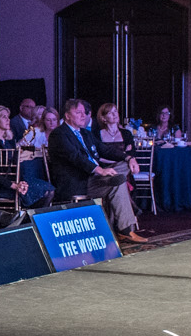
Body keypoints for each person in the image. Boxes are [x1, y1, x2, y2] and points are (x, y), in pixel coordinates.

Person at [49, 98, 146, 243]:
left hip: (95, 179)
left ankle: (125, 229)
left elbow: (105, 150)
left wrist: (128, 158)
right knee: (118, 182)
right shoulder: (59, 134)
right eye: (78, 112)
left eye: (84, 112)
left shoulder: (85, 133)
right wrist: (99, 170)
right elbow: (75, 157)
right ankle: (126, 230)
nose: (83, 115)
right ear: (67, 116)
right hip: (77, 182)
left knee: (123, 170)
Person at [0, 105, 52, 208]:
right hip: (1, 185)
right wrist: (14, 185)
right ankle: (28, 214)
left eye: (8, 117)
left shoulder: (9, 141)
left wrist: (22, 182)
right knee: (43, 192)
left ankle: (31, 214)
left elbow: (16, 165)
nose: (8, 120)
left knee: (48, 190)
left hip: (15, 180)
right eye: (4, 117)